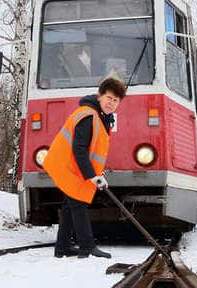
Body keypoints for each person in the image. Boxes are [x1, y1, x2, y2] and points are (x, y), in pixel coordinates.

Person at [43, 77, 126, 258]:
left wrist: (97, 173)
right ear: (99, 96)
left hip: (72, 167)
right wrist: (91, 175)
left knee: (69, 205)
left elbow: (91, 151)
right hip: (67, 166)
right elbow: (79, 149)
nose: (111, 103)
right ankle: (87, 246)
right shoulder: (88, 115)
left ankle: (62, 248)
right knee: (78, 203)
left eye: (115, 101)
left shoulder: (100, 117)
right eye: (109, 98)